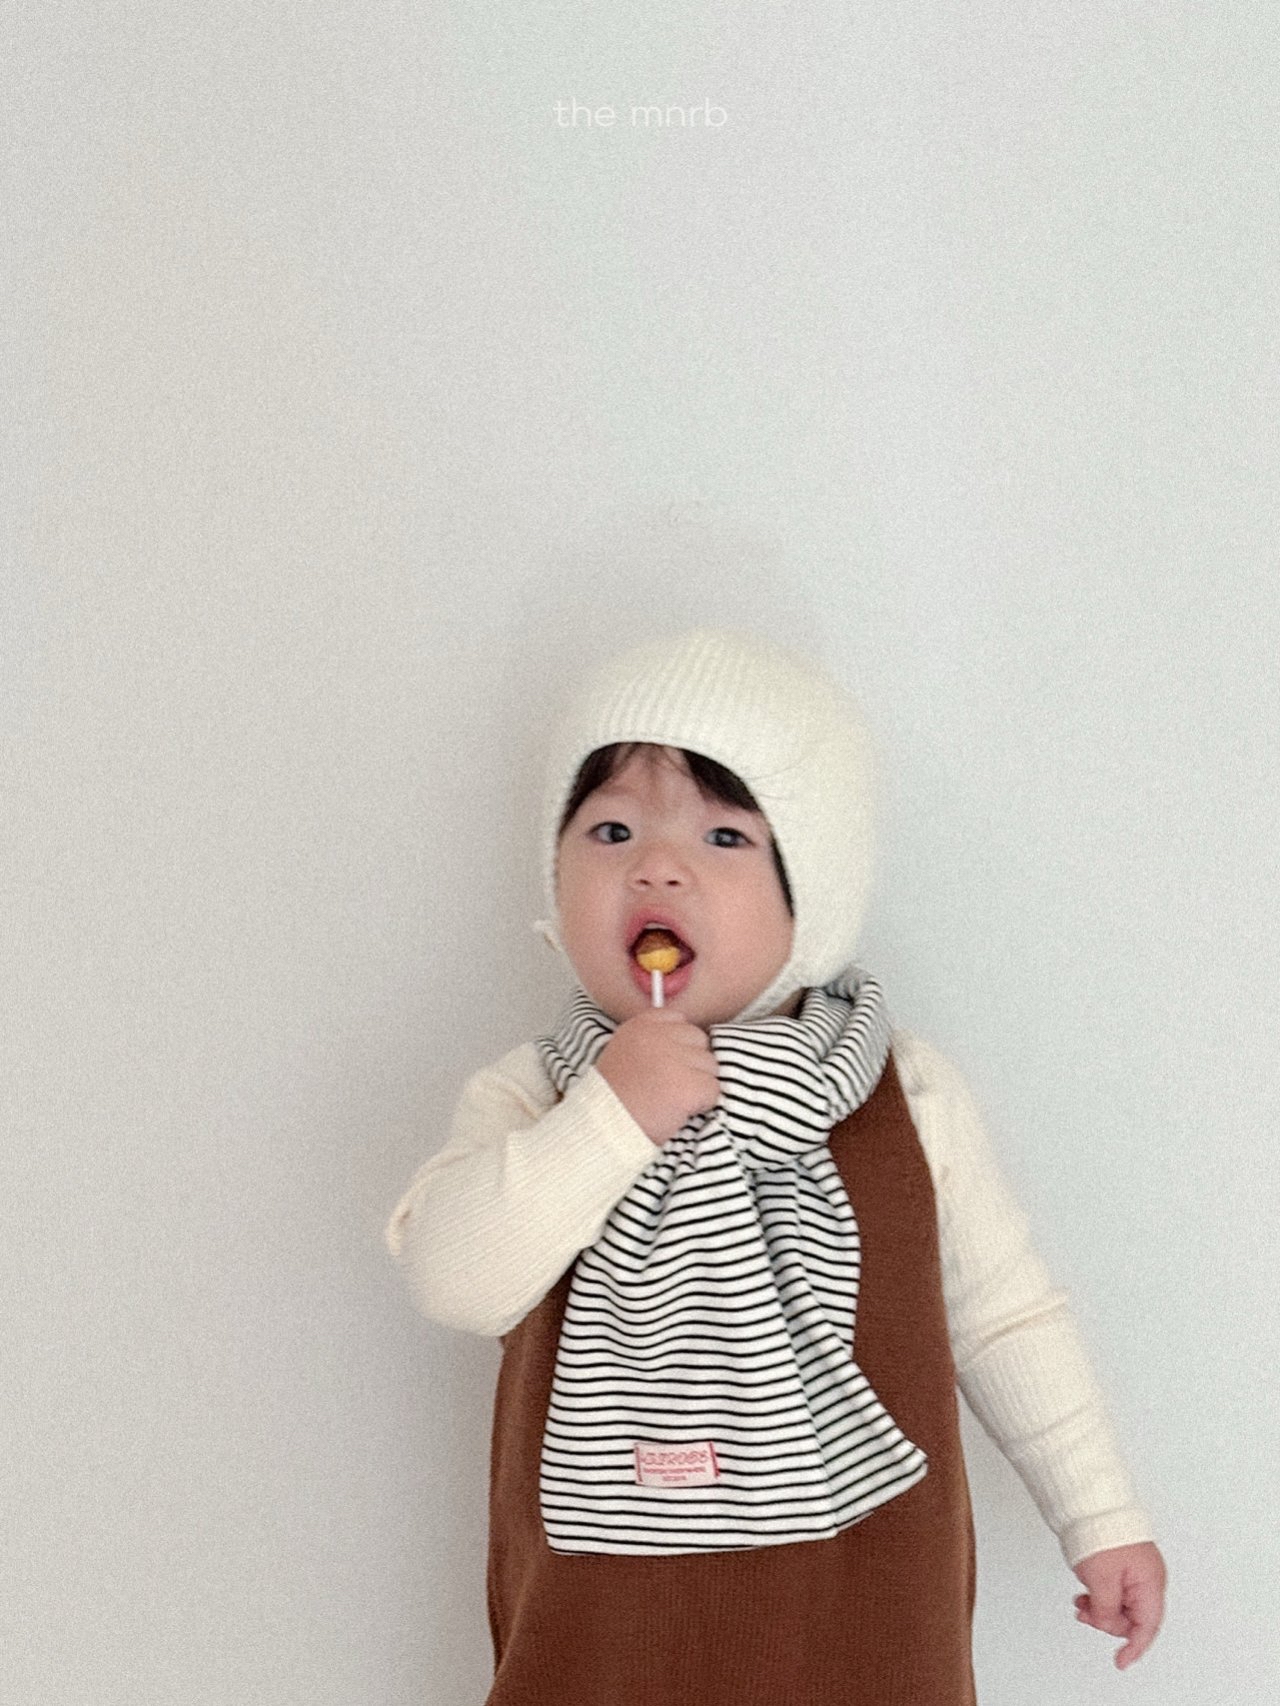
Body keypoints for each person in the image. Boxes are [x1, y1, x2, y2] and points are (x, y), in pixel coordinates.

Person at [385, 626, 1167, 1705]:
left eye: (723, 835)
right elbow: (455, 1280)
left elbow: (1005, 1317)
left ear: (814, 893)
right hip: (604, 1626)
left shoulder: (902, 1094)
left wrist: (1100, 1515)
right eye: (610, 829)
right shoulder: (540, 1094)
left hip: (867, 1605)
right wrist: (614, 1114)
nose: (656, 866)